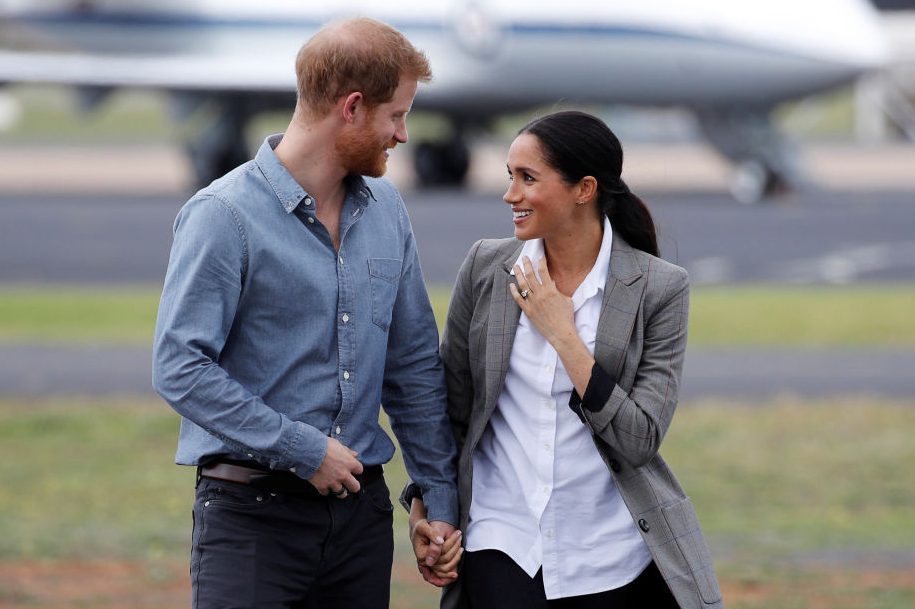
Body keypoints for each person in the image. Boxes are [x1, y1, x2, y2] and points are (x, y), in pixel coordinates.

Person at [152, 17, 458, 609]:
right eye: (395, 115)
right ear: (351, 108)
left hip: (362, 522)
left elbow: (414, 366)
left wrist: (436, 499)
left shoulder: (389, 211)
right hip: (252, 522)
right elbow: (179, 365)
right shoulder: (223, 215)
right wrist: (301, 448)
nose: (402, 134)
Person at [406, 110, 724, 608]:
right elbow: (452, 411)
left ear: (584, 189)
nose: (510, 194)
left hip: (610, 558)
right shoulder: (486, 268)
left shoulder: (659, 288)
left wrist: (564, 336)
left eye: (528, 178)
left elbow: (640, 439)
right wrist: (427, 504)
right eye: (511, 176)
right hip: (502, 544)